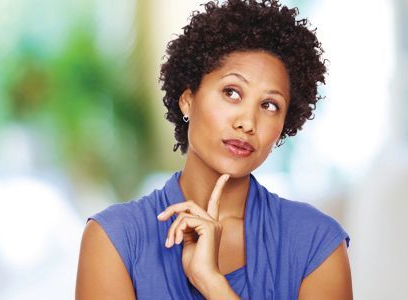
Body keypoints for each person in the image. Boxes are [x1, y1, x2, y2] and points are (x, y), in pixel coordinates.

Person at [76, 0, 351, 298]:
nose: (247, 122)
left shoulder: (316, 243)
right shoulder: (114, 239)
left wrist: (212, 283)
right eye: (231, 92)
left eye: (269, 105)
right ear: (188, 100)